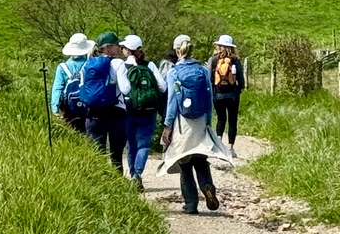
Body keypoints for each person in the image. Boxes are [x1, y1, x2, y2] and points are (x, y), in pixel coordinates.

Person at [162, 34, 231, 214]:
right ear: (191, 49)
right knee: (201, 159)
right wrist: (208, 120)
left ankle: (191, 204)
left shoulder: (174, 72)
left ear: (177, 50)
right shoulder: (202, 70)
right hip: (200, 120)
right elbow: (209, 97)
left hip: (182, 123)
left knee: (185, 164)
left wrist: (167, 125)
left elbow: (172, 101)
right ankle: (207, 186)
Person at [119, 35, 166, 193]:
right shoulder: (150, 65)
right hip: (148, 110)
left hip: (128, 109)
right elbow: (163, 87)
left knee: (131, 144)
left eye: (124, 48)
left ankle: (133, 174)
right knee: (144, 144)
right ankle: (137, 174)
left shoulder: (121, 66)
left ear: (127, 50)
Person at [80, 31, 129, 170]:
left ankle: (100, 187)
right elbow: (125, 89)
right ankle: (119, 188)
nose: (119, 47)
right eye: (117, 45)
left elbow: (82, 88)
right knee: (116, 156)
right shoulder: (118, 63)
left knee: (97, 156)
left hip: (93, 114)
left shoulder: (87, 64)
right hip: (116, 113)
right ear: (107, 47)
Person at [207, 34, 246, 154]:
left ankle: (218, 144)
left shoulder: (213, 59)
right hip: (233, 95)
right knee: (232, 120)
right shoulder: (235, 60)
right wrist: (239, 89)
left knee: (221, 118)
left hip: (217, 95)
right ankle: (231, 148)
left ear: (219, 46)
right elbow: (241, 79)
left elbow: (209, 78)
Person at [51, 32, 94, 133]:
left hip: (70, 109)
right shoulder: (91, 63)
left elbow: (57, 89)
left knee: (73, 133)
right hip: (90, 107)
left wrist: (55, 109)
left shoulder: (63, 67)